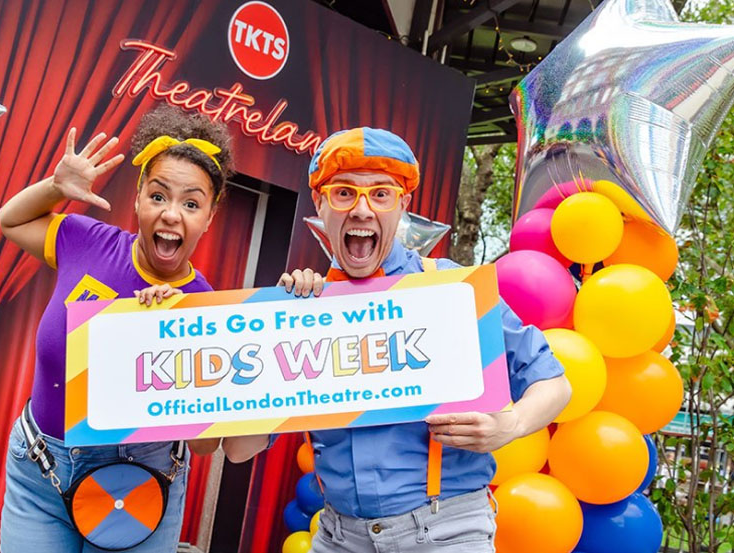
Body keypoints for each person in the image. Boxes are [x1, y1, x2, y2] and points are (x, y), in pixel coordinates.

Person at [223, 127, 572, 552]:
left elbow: (554, 383)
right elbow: (238, 450)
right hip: (339, 537)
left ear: (402, 205)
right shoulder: (304, 308)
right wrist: (278, 332)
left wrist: (510, 425)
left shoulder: (451, 290)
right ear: (320, 203)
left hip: (446, 534)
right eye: (344, 193)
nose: (362, 210)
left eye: (381, 195)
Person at [0, 106, 234, 552]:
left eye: (191, 203)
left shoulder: (204, 306)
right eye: (158, 196)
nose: (171, 214)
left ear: (209, 217)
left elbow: (206, 447)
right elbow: (11, 220)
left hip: (138, 481)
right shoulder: (86, 241)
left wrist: (176, 339)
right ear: (138, 198)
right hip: (39, 469)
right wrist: (55, 187)